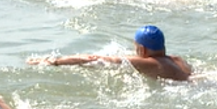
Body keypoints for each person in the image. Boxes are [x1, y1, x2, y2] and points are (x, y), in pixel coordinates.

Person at [29, 26, 192, 82]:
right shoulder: (177, 59)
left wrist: (53, 61)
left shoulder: (150, 63)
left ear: (141, 50)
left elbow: (92, 59)